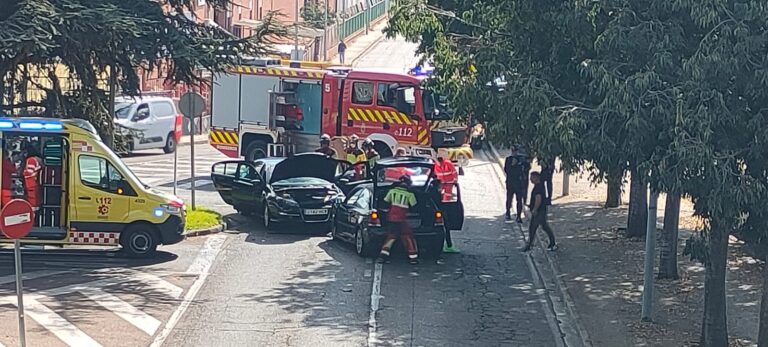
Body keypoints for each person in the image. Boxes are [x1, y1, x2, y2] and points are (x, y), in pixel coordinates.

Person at [378, 175, 419, 264]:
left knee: (391, 237)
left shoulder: (392, 191)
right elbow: (415, 207)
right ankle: (413, 258)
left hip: (391, 218)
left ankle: (382, 256)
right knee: (407, 236)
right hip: (403, 219)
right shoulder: (410, 194)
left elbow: (385, 203)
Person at [523, 172, 557, 252]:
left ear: (536, 178)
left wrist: (535, 209)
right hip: (541, 210)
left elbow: (538, 199)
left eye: (532, 177)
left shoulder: (538, 188)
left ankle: (529, 245)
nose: (530, 179)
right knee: (544, 226)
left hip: (539, 211)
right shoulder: (540, 186)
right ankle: (552, 243)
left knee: (533, 228)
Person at [504, 155, 526, 223]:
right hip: (510, 183)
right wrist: (512, 164)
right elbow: (506, 170)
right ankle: (508, 212)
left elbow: (525, 169)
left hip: (519, 183)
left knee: (519, 200)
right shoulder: (508, 159)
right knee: (509, 198)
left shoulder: (521, 160)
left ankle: (519, 216)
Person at [22, 143, 43, 210]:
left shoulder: (31, 160)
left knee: (31, 206)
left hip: (30, 185)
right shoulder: (38, 159)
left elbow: (29, 172)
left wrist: (22, 172)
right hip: (36, 184)